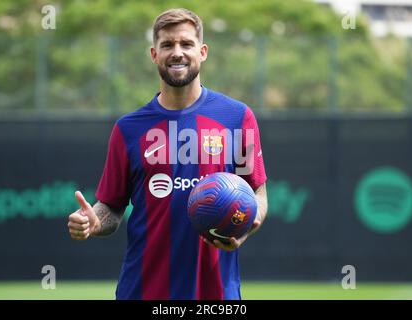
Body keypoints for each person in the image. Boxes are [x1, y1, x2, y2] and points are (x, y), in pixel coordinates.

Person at [67, 8, 268, 300]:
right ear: (153, 54)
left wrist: (245, 225)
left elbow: (258, 195)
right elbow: (110, 207)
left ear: (203, 51)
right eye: (167, 45)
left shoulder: (238, 118)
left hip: (217, 296)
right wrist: (94, 221)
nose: (177, 52)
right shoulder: (128, 129)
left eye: (186, 44)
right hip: (142, 292)